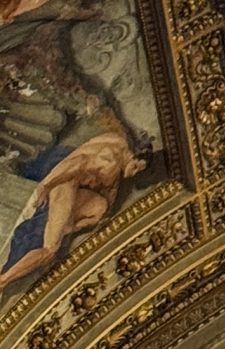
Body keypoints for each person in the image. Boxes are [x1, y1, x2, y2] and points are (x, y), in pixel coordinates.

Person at [0, 118, 148, 292]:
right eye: (137, 166)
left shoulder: (118, 145)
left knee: (99, 207)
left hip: (73, 188)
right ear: (134, 156)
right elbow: (76, 164)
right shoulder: (110, 162)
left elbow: (103, 203)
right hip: (64, 184)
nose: (134, 172)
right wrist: (45, 186)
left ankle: (64, 227)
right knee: (49, 251)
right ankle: (3, 280)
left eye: (138, 170)